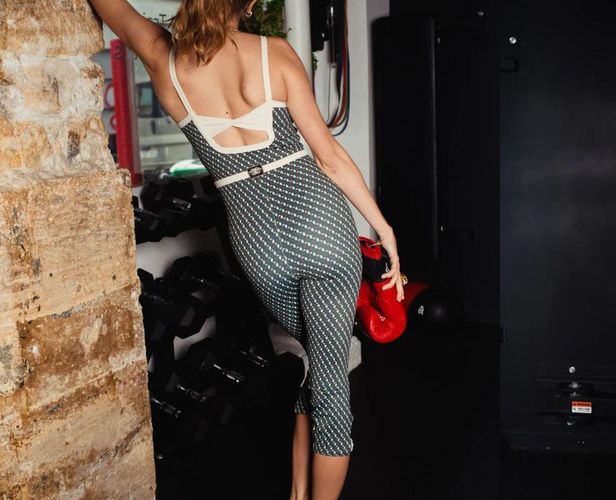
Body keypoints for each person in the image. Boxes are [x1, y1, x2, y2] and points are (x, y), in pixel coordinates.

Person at [87, 0, 405, 497]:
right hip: (320, 223)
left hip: (259, 243)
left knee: (317, 364)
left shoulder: (163, 58)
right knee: (331, 386)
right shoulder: (273, 53)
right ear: (250, 2)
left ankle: (298, 493)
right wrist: (383, 229)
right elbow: (330, 158)